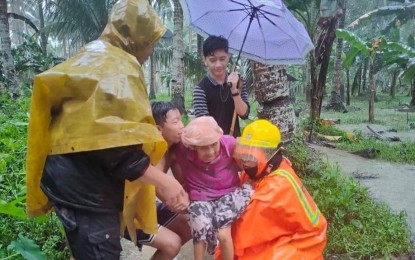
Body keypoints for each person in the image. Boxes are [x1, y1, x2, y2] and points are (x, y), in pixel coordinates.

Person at [25, 0, 188, 259]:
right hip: (85, 190)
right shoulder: (116, 68)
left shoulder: (94, 55)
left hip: (73, 182)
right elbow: (113, 143)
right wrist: (164, 181)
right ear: (138, 37)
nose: (152, 47)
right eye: (152, 40)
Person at [215, 119, 328, 259]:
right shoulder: (263, 169)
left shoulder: (275, 187)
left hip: (303, 243)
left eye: (251, 154)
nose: (244, 160)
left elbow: (241, 233)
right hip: (288, 234)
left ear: (269, 155)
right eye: (244, 151)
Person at [175, 116, 252, 260]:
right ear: (193, 146)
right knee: (199, 228)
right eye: (204, 147)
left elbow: (250, 157)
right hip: (201, 196)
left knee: (223, 234)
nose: (210, 151)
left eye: (213, 144)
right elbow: (167, 143)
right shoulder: (184, 150)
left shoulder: (229, 143)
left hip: (228, 194)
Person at [125, 101, 191, 259]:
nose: (182, 125)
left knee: (190, 224)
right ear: (158, 129)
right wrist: (187, 204)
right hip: (128, 211)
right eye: (175, 122)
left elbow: (184, 185)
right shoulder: (147, 152)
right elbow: (167, 195)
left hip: (147, 206)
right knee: (172, 244)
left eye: (181, 120)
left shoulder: (174, 150)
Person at [192, 35, 250, 137]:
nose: (218, 65)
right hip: (212, 144)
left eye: (222, 59)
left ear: (229, 56)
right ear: (205, 60)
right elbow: (204, 125)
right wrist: (224, 142)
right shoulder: (200, 89)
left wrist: (234, 90)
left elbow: (244, 114)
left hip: (235, 143)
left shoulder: (239, 82)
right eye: (212, 60)